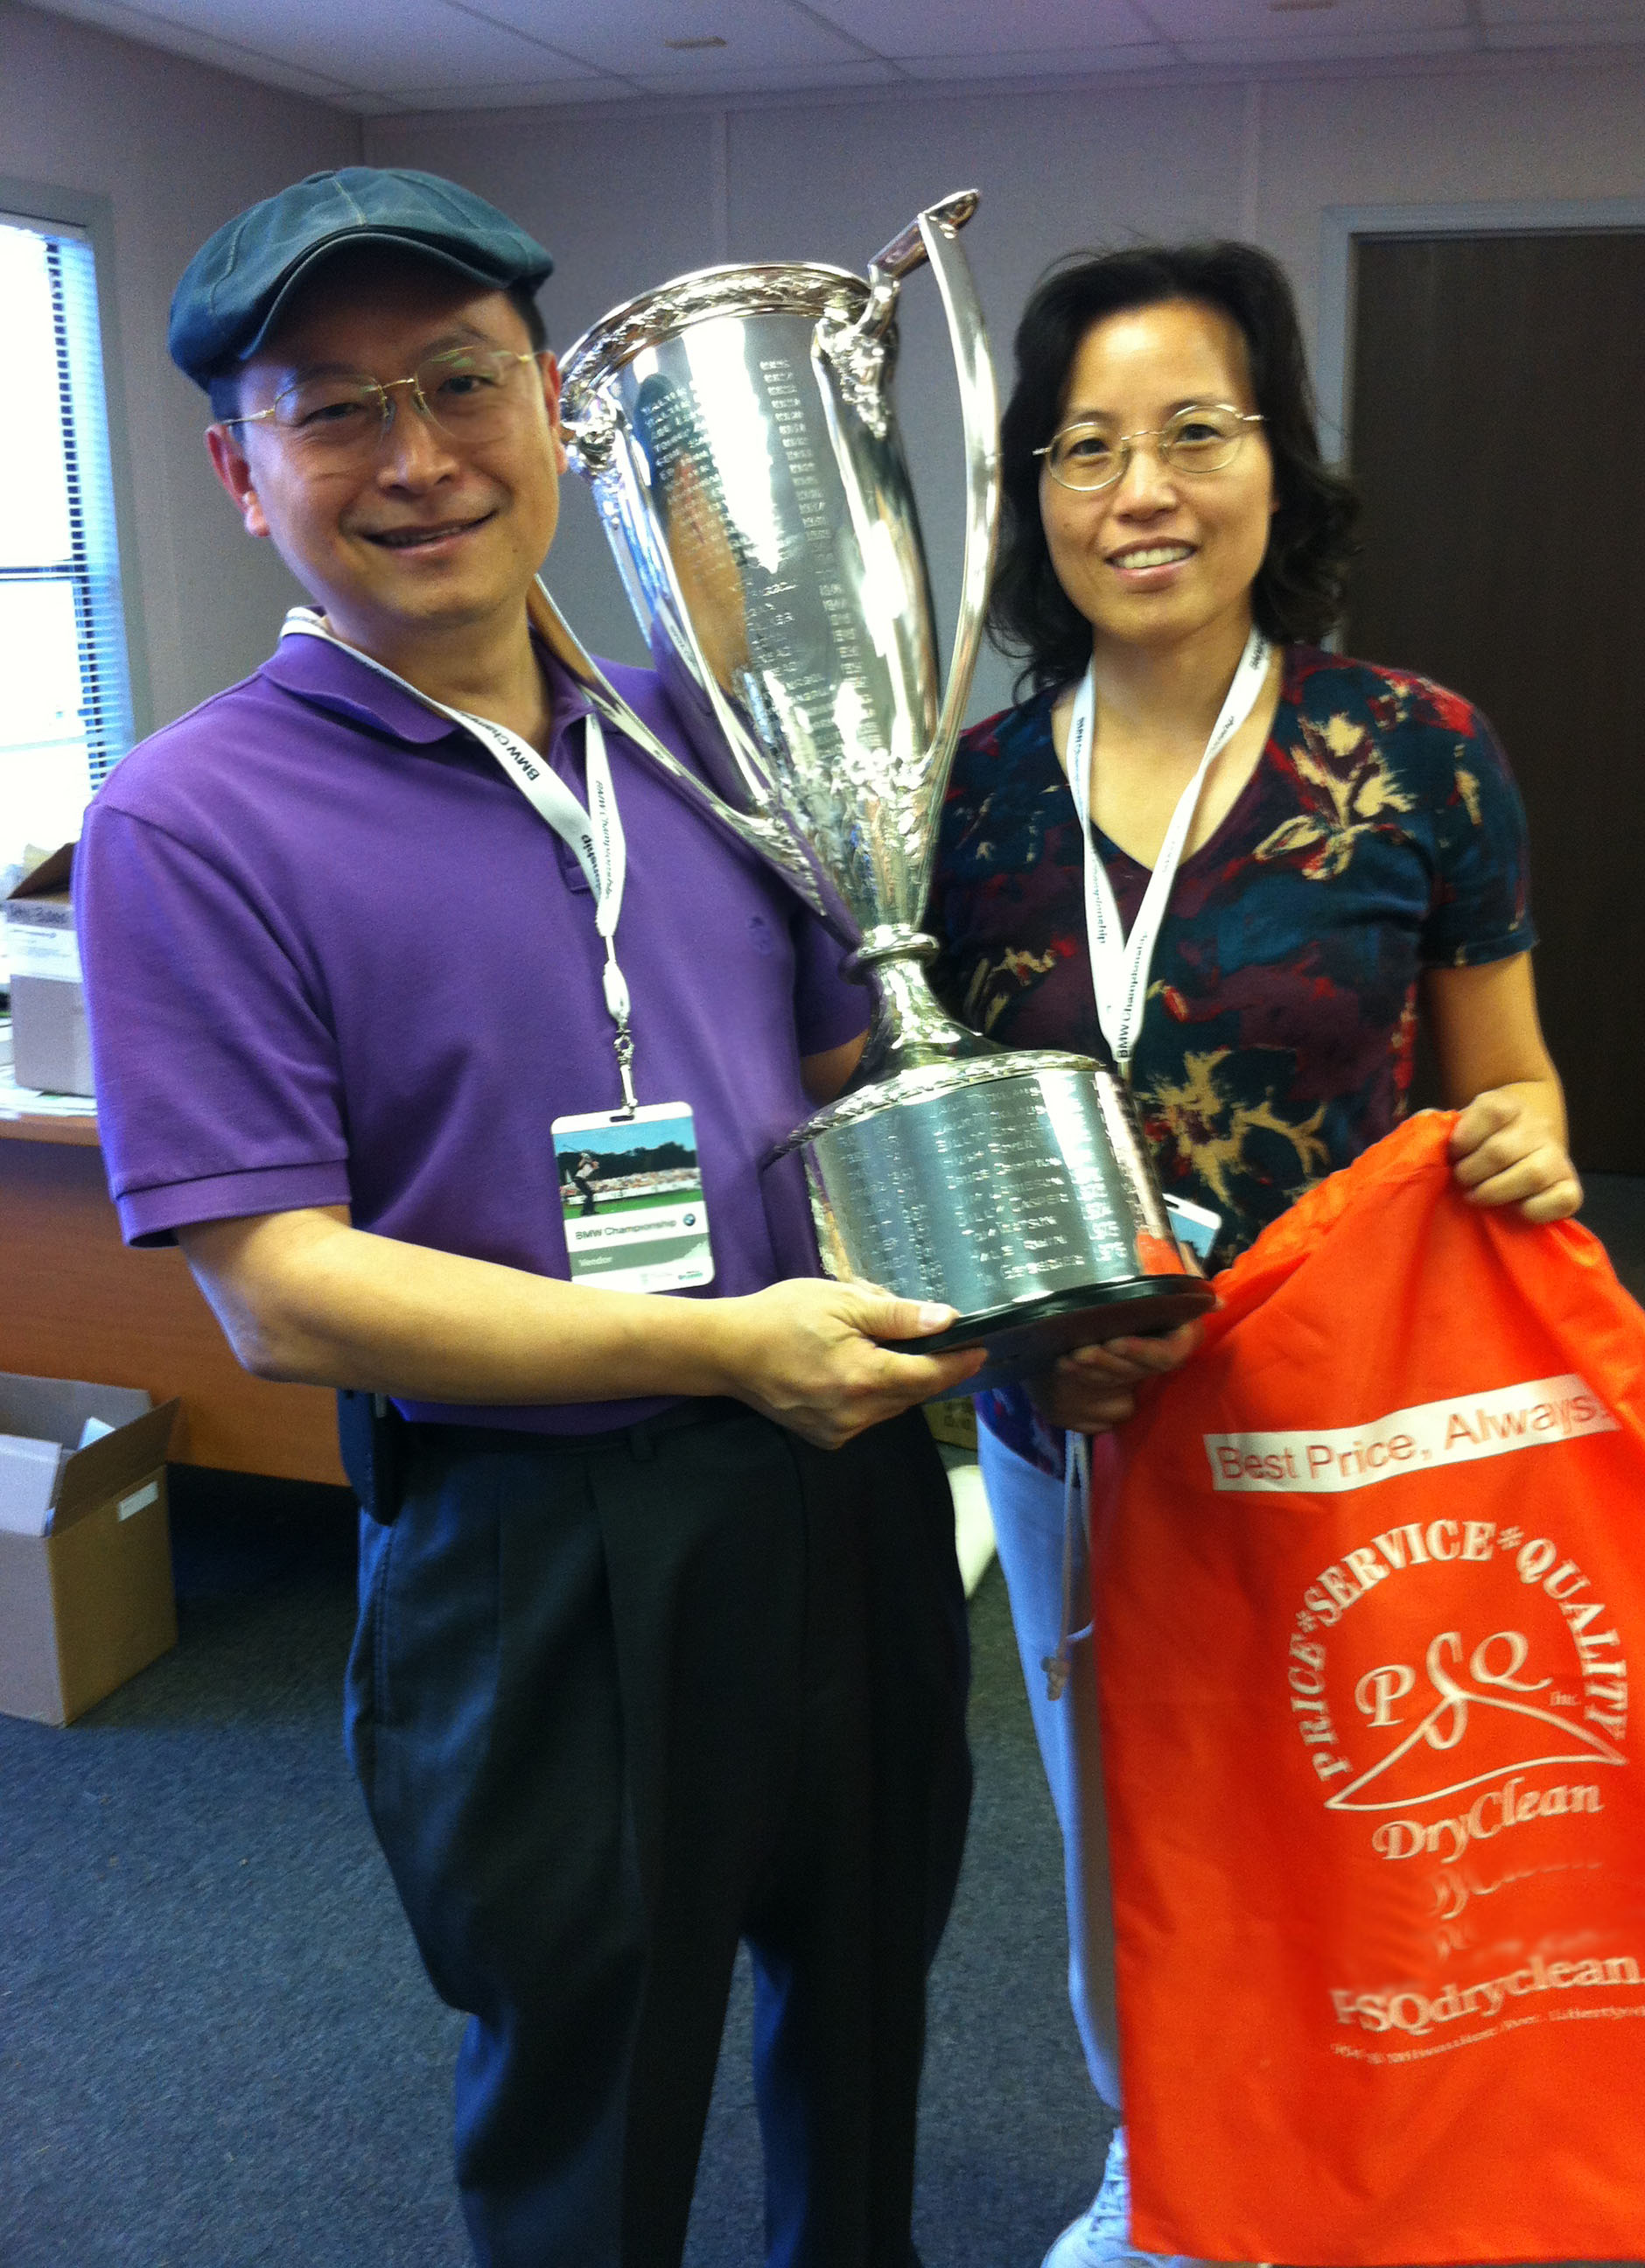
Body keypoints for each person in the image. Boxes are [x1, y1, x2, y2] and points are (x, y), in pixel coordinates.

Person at [74, 166, 984, 2268]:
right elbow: (282, 1293)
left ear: (557, 411)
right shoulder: (189, 821)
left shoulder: (705, 732)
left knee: (868, 2012)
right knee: (593, 2090)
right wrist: (716, 1343)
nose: (416, 458)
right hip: (536, 1557)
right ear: (238, 469)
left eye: (462, 381)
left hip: (833, 1491)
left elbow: (834, 1072)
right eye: (335, 408)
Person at [923, 241, 1581, 2268]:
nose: (1141, 491)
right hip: (1081, 1433)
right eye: (1082, 448)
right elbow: (938, 1137)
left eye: (1192, 433)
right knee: (1121, 1814)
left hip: (1346, 1422)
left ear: (1274, 463)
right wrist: (1017, 1353)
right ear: (1032, 499)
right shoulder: (970, 800)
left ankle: (1378, 2149)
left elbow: (1511, 1082)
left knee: (1376, 1805)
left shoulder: (1416, 747)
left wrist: (1529, 1139)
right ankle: (1168, 2164)